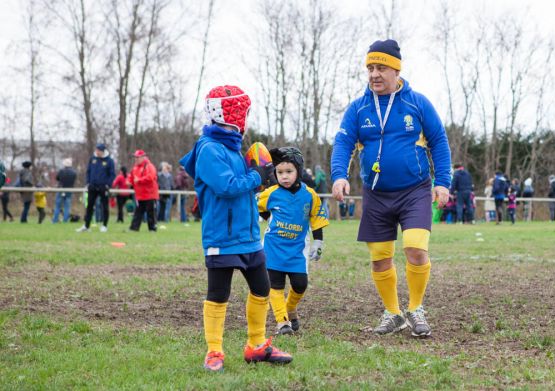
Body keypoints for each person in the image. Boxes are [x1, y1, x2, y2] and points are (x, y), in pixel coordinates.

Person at [331, 39, 451, 338]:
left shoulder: (417, 103)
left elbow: (439, 141)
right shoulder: (359, 108)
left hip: (415, 191)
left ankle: (416, 308)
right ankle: (393, 312)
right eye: (370, 68)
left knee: (415, 248)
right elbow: (343, 142)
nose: (374, 74)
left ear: (396, 70)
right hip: (376, 193)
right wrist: (339, 175)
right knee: (380, 257)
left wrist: (443, 182)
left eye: (381, 67)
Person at [179, 85, 292, 372]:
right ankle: (214, 352)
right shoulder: (208, 149)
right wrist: (256, 176)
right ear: (226, 113)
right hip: (222, 237)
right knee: (218, 294)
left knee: (262, 288)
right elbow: (226, 186)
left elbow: (243, 185)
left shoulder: (232, 147)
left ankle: (256, 346)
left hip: (248, 236)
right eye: (241, 111)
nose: (244, 117)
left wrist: (263, 166)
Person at [257, 147, 329, 335]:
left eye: (289, 171)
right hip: (273, 248)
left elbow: (316, 219)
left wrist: (318, 242)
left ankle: (290, 308)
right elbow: (260, 209)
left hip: (298, 249)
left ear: (298, 171)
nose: (284, 176)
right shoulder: (270, 193)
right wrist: (263, 216)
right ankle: (283, 322)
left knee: (300, 284)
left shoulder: (310, 195)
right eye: (280, 173)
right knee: (275, 286)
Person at [76, 143, 116, 232]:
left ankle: (104, 225)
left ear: (103, 151)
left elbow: (112, 175)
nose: (97, 152)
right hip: (92, 187)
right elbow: (88, 171)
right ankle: (86, 226)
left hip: (103, 187)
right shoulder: (92, 159)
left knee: (104, 206)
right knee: (89, 206)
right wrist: (88, 183)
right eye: (96, 150)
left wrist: (107, 185)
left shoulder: (109, 161)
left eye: (99, 150)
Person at [128, 150, 159, 232]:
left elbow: (151, 177)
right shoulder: (135, 168)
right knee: (138, 212)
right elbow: (131, 178)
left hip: (150, 194)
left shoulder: (149, 166)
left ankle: (152, 228)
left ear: (143, 157)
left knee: (151, 212)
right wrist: (128, 181)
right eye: (135, 157)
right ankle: (134, 228)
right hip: (140, 195)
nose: (136, 159)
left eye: (137, 157)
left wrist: (139, 180)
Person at [52, 158, 77, 223]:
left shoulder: (61, 171)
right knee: (67, 206)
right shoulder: (74, 172)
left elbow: (57, 178)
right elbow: (74, 180)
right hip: (69, 190)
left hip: (61, 189)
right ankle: (65, 220)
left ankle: (55, 220)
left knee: (58, 206)